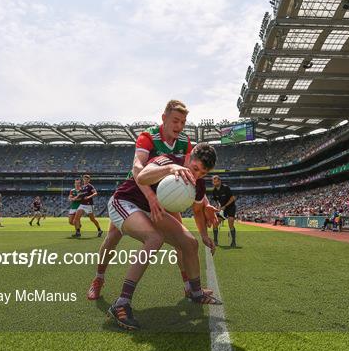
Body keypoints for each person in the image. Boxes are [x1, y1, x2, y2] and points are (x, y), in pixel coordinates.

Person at [87, 100, 217, 300]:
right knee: (112, 238)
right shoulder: (148, 136)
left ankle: (189, 288)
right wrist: (150, 196)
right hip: (138, 190)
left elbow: (193, 174)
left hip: (167, 191)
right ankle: (99, 279)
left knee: (184, 241)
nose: (179, 126)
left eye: (183, 122)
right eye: (175, 120)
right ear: (164, 118)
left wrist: (204, 202)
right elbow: (137, 168)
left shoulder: (185, 142)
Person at [106, 143, 221, 330]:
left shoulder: (197, 183)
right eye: (195, 168)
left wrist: (204, 235)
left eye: (203, 173)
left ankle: (196, 292)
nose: (197, 175)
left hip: (153, 210)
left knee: (190, 244)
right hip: (125, 201)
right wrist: (170, 169)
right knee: (154, 238)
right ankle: (121, 302)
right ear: (189, 157)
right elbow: (142, 176)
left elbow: (198, 210)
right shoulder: (168, 160)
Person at [211, 175, 237, 247]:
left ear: (220, 181)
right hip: (222, 208)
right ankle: (215, 241)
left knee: (230, 222)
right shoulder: (214, 191)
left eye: (216, 181)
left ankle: (233, 242)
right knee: (215, 223)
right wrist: (219, 206)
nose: (215, 183)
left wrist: (225, 206)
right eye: (214, 181)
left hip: (230, 207)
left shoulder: (226, 188)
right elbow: (216, 201)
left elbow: (232, 198)